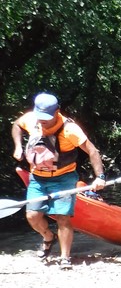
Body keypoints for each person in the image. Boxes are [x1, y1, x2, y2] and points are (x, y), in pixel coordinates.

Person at [10, 93, 107, 268]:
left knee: (63, 217)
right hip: (38, 179)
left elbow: (92, 151)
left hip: (64, 178)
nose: (42, 121)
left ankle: (65, 257)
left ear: (57, 111)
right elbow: (17, 125)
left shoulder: (70, 130)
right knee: (32, 216)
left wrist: (99, 177)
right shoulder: (31, 119)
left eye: (47, 118)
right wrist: (18, 146)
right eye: (40, 117)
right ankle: (48, 237)